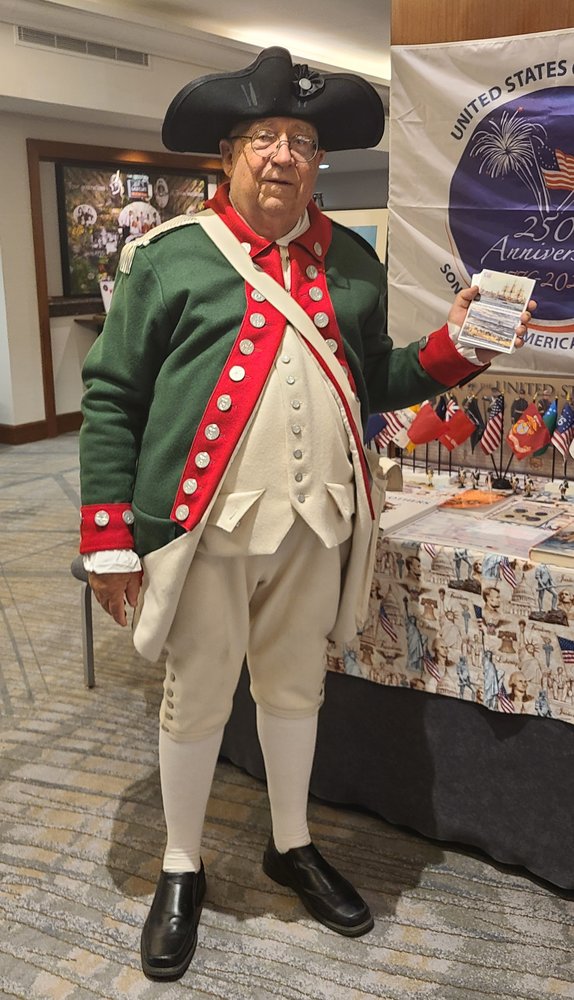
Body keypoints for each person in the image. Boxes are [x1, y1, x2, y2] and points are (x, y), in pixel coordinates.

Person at [78, 46, 535, 981]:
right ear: (230, 156)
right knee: (197, 695)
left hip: (318, 521)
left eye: (300, 140)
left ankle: (291, 844)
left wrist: (460, 347)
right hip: (203, 526)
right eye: (263, 139)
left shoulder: (352, 261)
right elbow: (113, 397)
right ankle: (181, 864)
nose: (283, 155)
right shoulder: (167, 261)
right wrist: (109, 541)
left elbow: (380, 378)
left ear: (316, 161)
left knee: (297, 690)